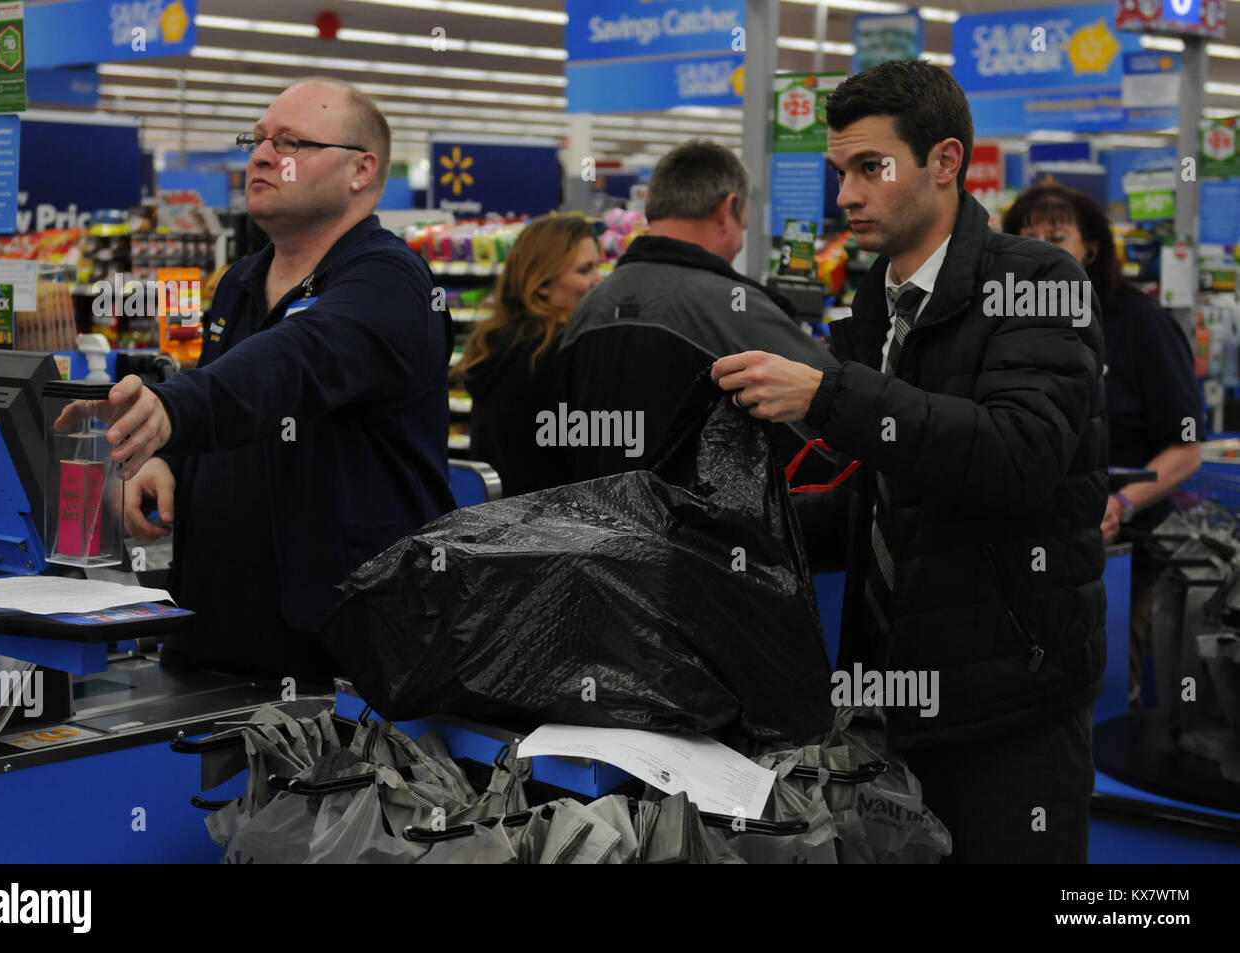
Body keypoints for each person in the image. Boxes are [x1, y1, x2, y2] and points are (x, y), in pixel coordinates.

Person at [711, 60, 1107, 863]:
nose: (847, 195)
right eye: (839, 172)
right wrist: (739, 527)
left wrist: (829, 395)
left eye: (871, 168)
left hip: (1010, 704)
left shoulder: (1038, 283)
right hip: (885, 702)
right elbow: (889, 497)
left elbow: (1017, 455)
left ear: (947, 162)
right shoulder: (876, 302)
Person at [57, 77, 454, 681]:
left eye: (291, 143)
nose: (263, 155)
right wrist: (168, 456)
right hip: (215, 629)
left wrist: (173, 410)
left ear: (361, 171)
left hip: (341, 655)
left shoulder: (391, 282)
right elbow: (227, 393)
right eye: (258, 139)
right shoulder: (239, 281)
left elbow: (293, 360)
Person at [1003, 183, 1202, 703]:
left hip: (1123, 554)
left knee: (1106, 696)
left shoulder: (1140, 324)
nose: (1041, 249)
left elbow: (1186, 448)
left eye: (1056, 236)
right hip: (1024, 548)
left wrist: (1121, 504)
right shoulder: (1004, 324)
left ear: (1090, 248)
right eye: (1026, 237)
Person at [558, 139, 837, 480]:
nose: (738, 242)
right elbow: (830, 434)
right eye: (743, 227)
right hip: (702, 530)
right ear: (727, 209)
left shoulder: (589, 307)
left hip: (595, 523)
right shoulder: (737, 309)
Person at [457, 215, 602, 495]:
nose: (597, 280)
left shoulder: (495, 343)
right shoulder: (558, 351)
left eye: (597, 266)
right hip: (555, 521)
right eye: (585, 270)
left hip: (503, 517)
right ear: (542, 282)